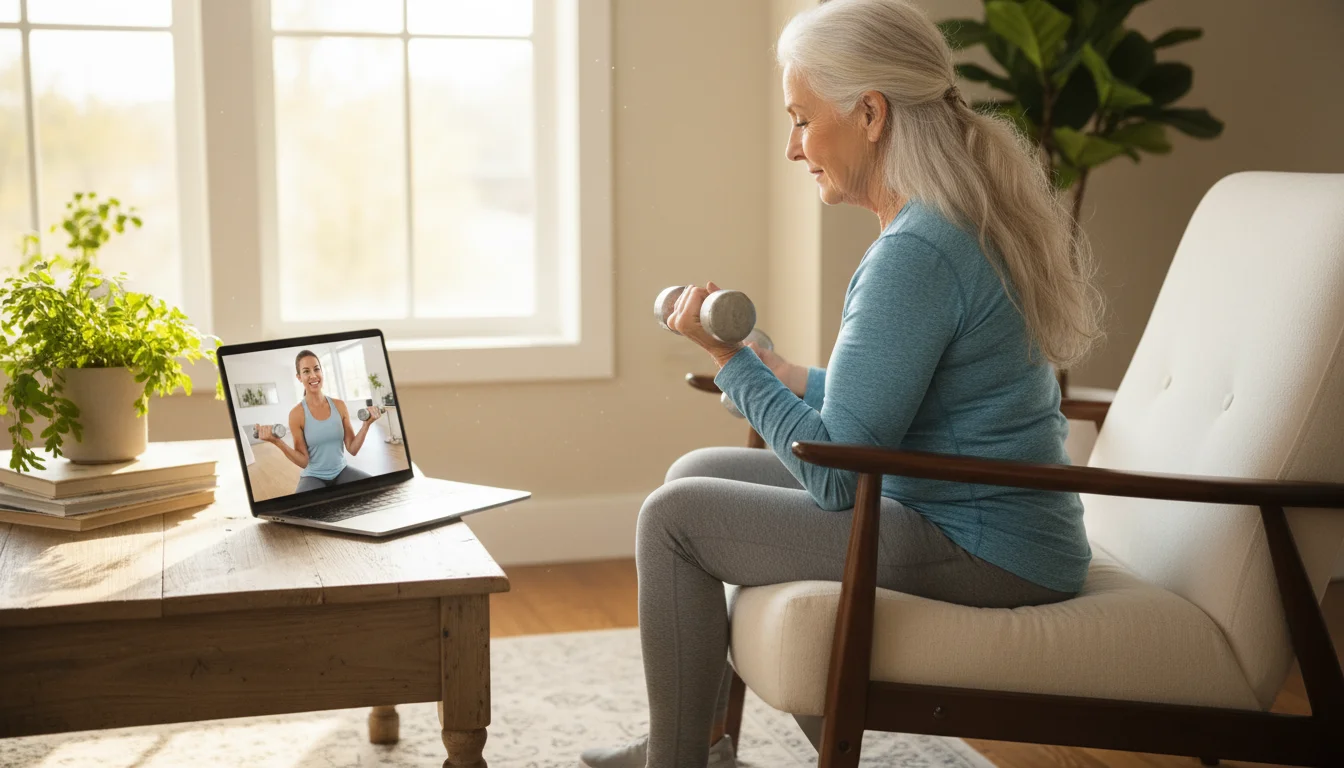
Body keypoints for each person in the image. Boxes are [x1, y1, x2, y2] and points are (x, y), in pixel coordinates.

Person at [580, 0, 1105, 766]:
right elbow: (905, 404)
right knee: (697, 472)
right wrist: (790, 375)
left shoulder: (917, 252)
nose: (793, 148)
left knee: (674, 518)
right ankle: (697, 741)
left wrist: (735, 362)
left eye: (800, 119)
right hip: (961, 501)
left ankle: (679, 762)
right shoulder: (943, 222)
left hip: (987, 543)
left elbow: (839, 475)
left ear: (869, 114)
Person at [258, 349, 386, 493]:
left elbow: (353, 449)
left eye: (316, 369)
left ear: (321, 372)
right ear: (299, 377)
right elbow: (303, 461)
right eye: (306, 371)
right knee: (299, 510)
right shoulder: (296, 414)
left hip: (342, 471)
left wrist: (366, 425)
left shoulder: (339, 406)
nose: (313, 375)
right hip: (313, 477)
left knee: (378, 491)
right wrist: (277, 442)